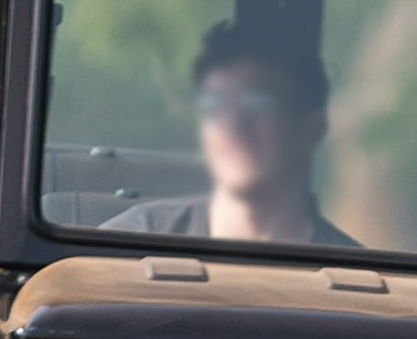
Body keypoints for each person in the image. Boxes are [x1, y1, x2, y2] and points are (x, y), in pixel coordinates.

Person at [100, 23, 359, 249]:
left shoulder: (355, 277)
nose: (233, 126)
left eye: (258, 104)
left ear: (312, 126)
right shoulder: (136, 237)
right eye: (214, 107)